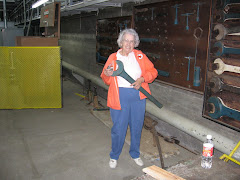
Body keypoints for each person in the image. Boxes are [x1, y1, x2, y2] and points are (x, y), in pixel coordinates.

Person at [100, 28, 158, 169]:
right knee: (119, 128)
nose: (129, 44)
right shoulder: (113, 57)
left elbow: (153, 71)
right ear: (121, 41)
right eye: (126, 40)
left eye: (132, 41)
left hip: (138, 96)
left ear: (135, 43)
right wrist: (108, 74)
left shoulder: (139, 56)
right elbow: (105, 78)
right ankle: (114, 156)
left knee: (137, 126)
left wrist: (142, 78)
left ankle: (135, 153)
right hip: (119, 96)